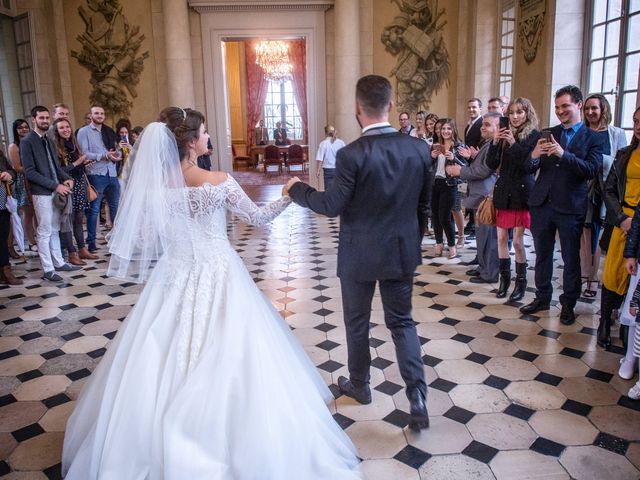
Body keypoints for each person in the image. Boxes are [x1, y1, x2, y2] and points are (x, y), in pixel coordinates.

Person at [62, 107, 361, 479]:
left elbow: (141, 235)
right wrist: (288, 194)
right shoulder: (218, 180)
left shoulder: (156, 187)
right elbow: (258, 218)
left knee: (160, 353)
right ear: (190, 143)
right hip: (219, 275)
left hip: (173, 277)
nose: (208, 138)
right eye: (203, 133)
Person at [287, 75, 432, 431]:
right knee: (402, 322)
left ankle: (361, 385)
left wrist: (297, 190)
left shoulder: (351, 154)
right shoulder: (418, 149)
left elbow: (332, 205)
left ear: (357, 108)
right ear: (391, 104)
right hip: (401, 250)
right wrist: (410, 238)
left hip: (359, 254)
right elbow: (423, 206)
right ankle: (417, 396)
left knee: (357, 323)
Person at [520, 86, 602, 324]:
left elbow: (591, 170)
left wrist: (563, 154)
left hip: (570, 206)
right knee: (543, 255)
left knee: (570, 258)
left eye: (565, 106)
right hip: (542, 203)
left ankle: (568, 304)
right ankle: (542, 297)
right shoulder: (548, 132)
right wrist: (534, 155)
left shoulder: (594, 137)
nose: (560, 111)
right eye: (557, 107)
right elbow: (530, 168)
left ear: (578, 105)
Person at [486, 98, 539, 301]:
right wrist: (495, 141)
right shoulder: (503, 132)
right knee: (500, 239)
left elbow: (529, 166)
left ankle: (521, 283)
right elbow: (492, 163)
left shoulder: (533, 135)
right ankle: (504, 280)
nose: (515, 117)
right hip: (503, 191)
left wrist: (513, 143)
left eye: (520, 112)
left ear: (527, 114)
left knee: (517, 242)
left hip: (521, 192)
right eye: (512, 113)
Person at [20, 105, 80, 281]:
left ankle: (59, 263)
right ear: (34, 120)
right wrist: (55, 186)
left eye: (47, 118)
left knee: (55, 228)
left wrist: (67, 178)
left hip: (56, 189)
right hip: (42, 192)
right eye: (42, 118)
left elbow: (56, 167)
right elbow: (30, 172)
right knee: (45, 230)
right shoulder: (27, 141)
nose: (45, 121)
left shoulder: (49, 140)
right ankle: (48, 269)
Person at [601, 105, 640, 350]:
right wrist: (622, 218)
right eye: (635, 121)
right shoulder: (625, 154)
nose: (638, 126)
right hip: (623, 218)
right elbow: (609, 189)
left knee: (634, 278)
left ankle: (630, 326)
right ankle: (605, 320)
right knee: (613, 272)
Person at [581, 94, 627, 299]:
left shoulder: (616, 133)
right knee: (585, 234)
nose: (590, 113)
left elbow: (621, 163)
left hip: (605, 190)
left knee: (600, 237)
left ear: (603, 110)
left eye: (595, 109)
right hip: (584, 189)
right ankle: (584, 275)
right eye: (587, 109)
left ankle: (593, 279)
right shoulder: (582, 132)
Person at [448, 112, 500, 283]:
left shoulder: (496, 144)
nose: (482, 127)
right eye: (482, 124)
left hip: (486, 196)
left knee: (488, 238)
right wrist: (472, 157)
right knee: (481, 237)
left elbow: (484, 171)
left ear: (497, 127)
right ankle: (483, 268)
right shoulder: (487, 143)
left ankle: (489, 274)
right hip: (479, 196)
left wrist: (459, 171)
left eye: (487, 125)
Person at [77, 104, 121, 253]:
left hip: (112, 173)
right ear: (91, 115)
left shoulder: (108, 131)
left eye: (102, 113)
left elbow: (115, 152)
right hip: (96, 174)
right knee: (94, 209)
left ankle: (117, 239)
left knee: (116, 208)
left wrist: (117, 154)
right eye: (96, 113)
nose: (100, 115)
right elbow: (84, 153)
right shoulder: (84, 132)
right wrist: (103, 156)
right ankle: (91, 241)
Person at [53, 117, 98, 263]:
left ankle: (82, 249)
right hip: (67, 185)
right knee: (67, 220)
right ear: (56, 131)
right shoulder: (56, 148)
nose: (66, 130)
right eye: (62, 128)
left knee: (79, 218)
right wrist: (77, 162)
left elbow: (77, 166)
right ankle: (72, 253)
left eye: (67, 127)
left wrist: (84, 164)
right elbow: (58, 170)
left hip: (79, 183)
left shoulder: (73, 144)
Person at [432, 118, 466, 258]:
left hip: (449, 184)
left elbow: (465, 167)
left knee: (445, 216)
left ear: (453, 130)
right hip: (435, 184)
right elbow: (429, 166)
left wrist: (454, 157)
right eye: (443, 129)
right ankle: (439, 243)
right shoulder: (435, 145)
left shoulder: (458, 146)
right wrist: (431, 157)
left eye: (448, 129)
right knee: (435, 216)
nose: (445, 131)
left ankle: (451, 244)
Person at [8, 119, 37, 251]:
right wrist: (33, 169)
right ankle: (31, 241)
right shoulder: (14, 146)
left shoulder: (31, 142)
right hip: (23, 180)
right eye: (20, 128)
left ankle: (39, 238)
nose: (24, 129)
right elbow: (17, 167)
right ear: (16, 130)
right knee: (28, 212)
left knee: (38, 212)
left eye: (26, 127)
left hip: (35, 179)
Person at [0, 150, 23, 285]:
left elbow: (12, 171)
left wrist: (9, 175)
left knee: (2, 237)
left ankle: (5, 270)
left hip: (3, 203)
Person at [316, 125, 345, 190]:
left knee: (328, 190)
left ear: (326, 133)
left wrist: (318, 171)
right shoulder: (340, 142)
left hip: (327, 170)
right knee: (338, 189)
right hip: (338, 169)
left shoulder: (323, 143)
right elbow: (345, 155)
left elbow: (320, 159)